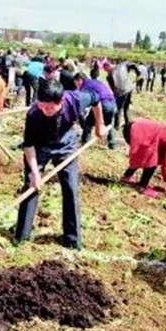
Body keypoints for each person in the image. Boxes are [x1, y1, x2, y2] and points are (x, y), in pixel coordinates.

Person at [15, 81, 107, 250]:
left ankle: (72, 240)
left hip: (66, 145)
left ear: (61, 102)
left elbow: (96, 98)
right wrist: (35, 173)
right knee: (30, 186)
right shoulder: (34, 113)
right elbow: (28, 146)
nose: (46, 111)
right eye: (43, 106)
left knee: (71, 187)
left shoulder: (76, 100)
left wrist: (99, 125)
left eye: (50, 108)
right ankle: (21, 236)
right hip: (40, 147)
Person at [73, 72, 118, 149]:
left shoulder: (85, 86)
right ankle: (113, 145)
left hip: (103, 104)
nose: (76, 85)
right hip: (113, 103)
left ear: (80, 80)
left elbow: (84, 102)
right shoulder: (94, 81)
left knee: (88, 123)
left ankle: (85, 141)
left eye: (76, 83)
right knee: (110, 124)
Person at [106, 60, 138, 129]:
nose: (106, 71)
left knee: (119, 109)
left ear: (108, 67)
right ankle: (128, 124)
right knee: (126, 108)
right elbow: (132, 64)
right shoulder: (121, 65)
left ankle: (116, 126)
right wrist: (137, 72)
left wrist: (115, 96)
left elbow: (113, 88)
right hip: (129, 89)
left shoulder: (109, 75)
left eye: (105, 69)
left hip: (122, 92)